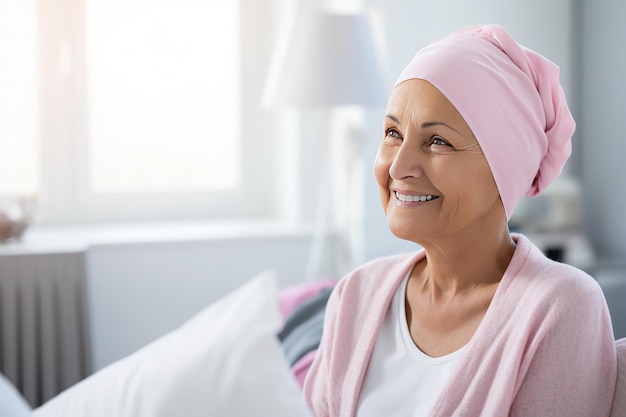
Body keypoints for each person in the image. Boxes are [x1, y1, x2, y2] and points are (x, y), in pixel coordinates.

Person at [303, 24, 617, 416]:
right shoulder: (355, 295)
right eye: (392, 133)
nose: (399, 166)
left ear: (506, 166)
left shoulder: (559, 305)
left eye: (438, 141)